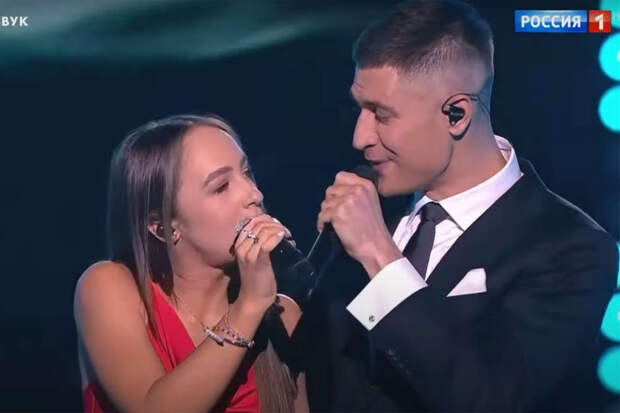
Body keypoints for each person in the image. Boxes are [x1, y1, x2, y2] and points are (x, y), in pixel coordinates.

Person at [300, 0, 619, 411]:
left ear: (456, 114)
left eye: (381, 115)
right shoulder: (366, 207)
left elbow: (491, 399)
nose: (360, 137)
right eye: (360, 109)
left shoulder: (571, 248)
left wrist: (379, 255)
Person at [74, 114, 309, 412]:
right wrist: (249, 306)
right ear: (162, 227)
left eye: (247, 173)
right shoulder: (108, 287)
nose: (254, 194)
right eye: (221, 187)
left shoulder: (282, 315)